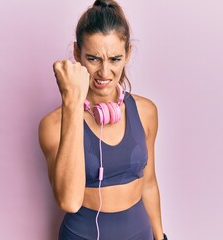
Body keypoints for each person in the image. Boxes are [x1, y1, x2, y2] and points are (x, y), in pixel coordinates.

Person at [39, 0, 167, 239]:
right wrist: (72, 103)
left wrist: (161, 237)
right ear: (77, 53)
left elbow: (149, 183)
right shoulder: (54, 125)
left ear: (128, 53)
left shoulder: (146, 111)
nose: (105, 73)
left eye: (115, 59)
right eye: (93, 58)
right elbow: (68, 201)